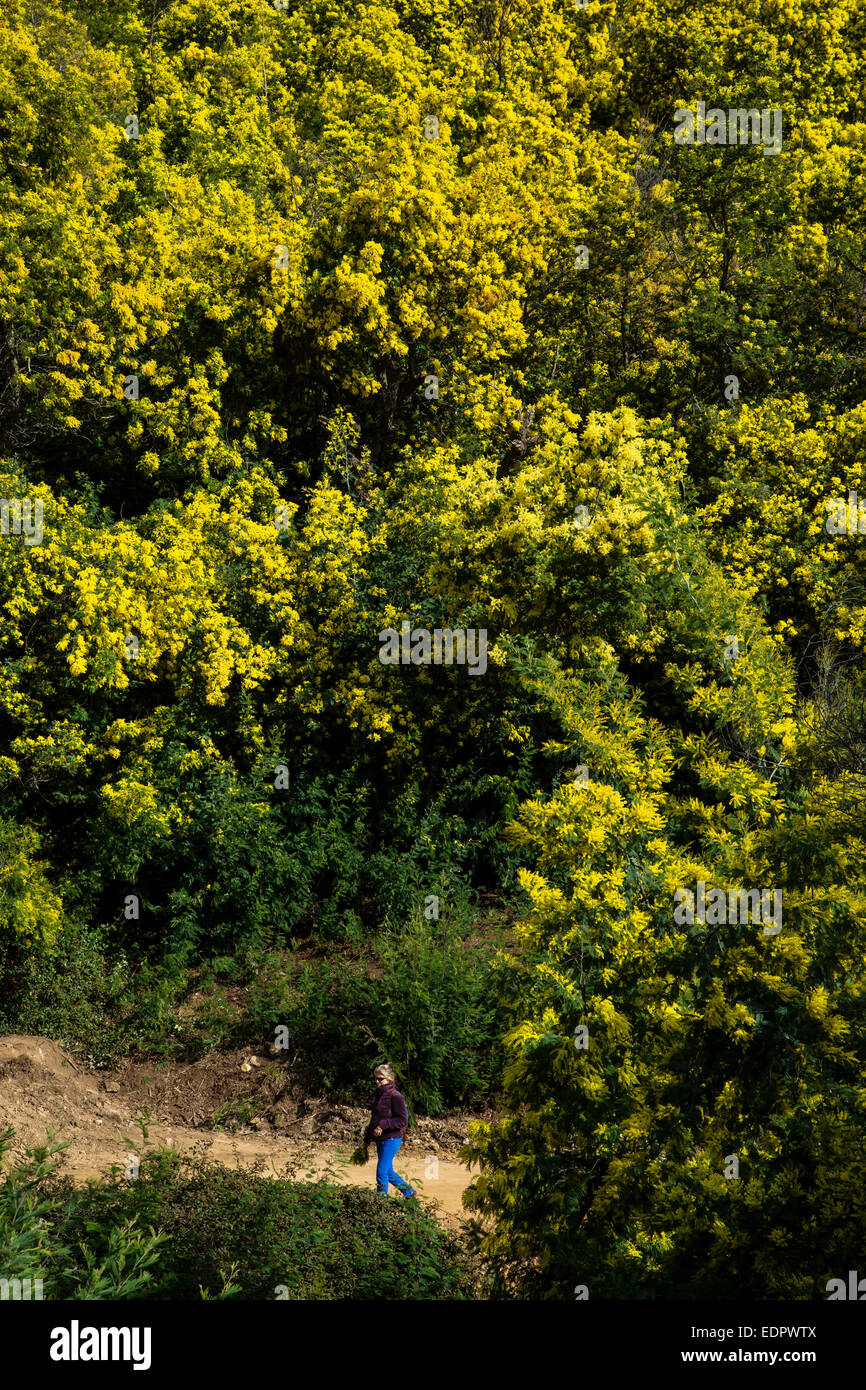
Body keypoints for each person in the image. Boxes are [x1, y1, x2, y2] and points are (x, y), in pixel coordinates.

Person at [363, 1063, 416, 1199]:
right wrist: (367, 1138)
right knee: (388, 1171)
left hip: (392, 1138)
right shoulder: (379, 1095)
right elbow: (370, 1109)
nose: (377, 1081)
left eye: (380, 1079)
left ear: (389, 1079)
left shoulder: (396, 1096)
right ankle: (409, 1192)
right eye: (376, 1079)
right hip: (380, 1138)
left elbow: (402, 1120)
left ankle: (381, 1201)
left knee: (381, 1170)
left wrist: (383, 1125)